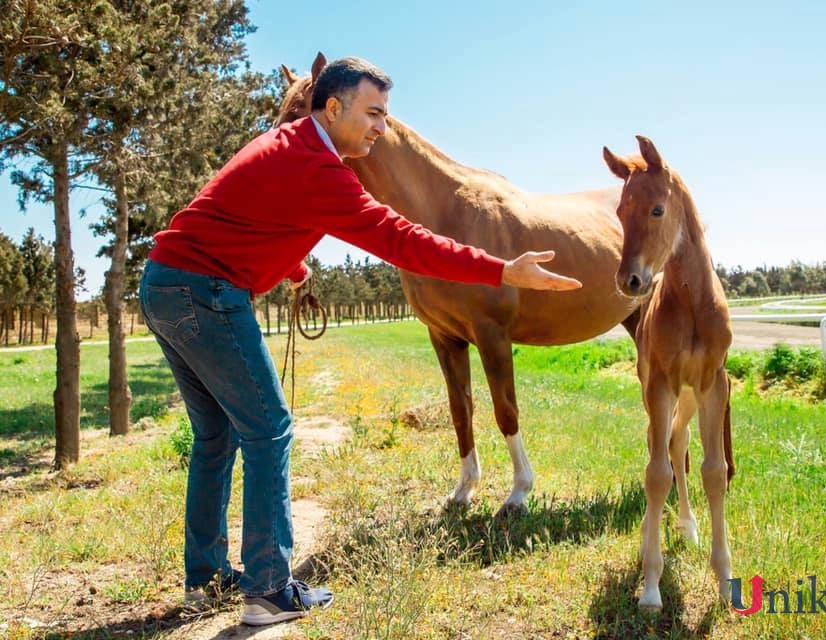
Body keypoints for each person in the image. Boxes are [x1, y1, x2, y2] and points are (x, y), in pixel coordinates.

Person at [139, 57, 581, 626]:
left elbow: (246, 215)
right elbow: (403, 239)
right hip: (206, 293)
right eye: (373, 113)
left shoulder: (286, 146)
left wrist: (293, 267)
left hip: (166, 284)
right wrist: (501, 270)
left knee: (216, 437)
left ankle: (205, 578)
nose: (382, 127)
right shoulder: (321, 168)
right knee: (268, 429)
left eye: (386, 115)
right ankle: (268, 590)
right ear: (333, 107)